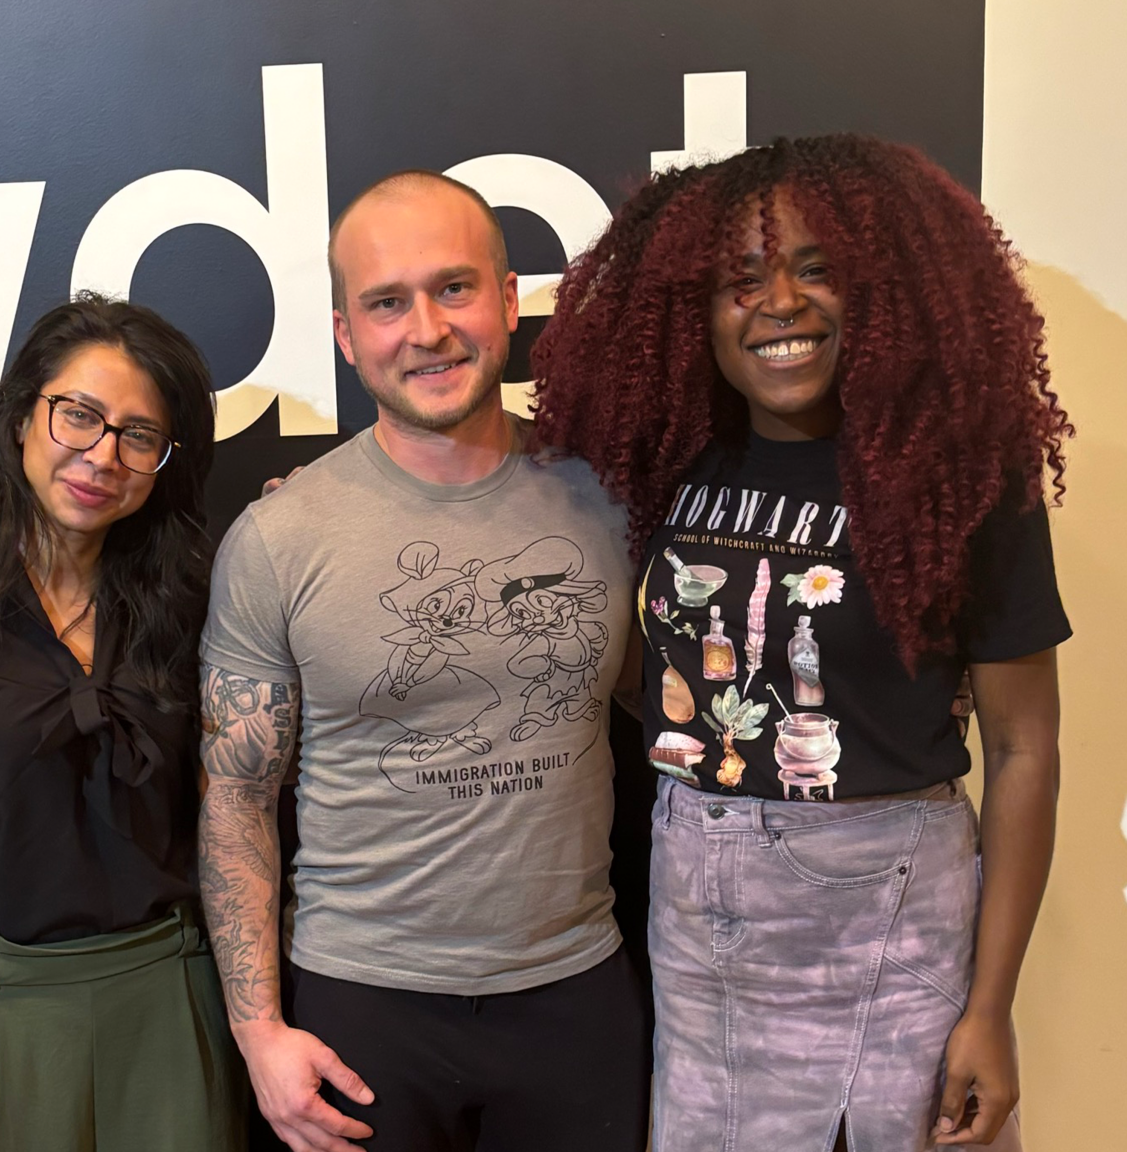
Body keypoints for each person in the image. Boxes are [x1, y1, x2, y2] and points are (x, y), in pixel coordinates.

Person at [531, 135, 1071, 1151]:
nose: (777, 302)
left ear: (885, 290)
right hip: (699, 910)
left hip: (891, 918)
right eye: (739, 281)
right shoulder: (658, 461)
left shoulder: (957, 479)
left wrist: (991, 1008)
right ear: (690, 311)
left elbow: (1022, 750)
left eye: (814, 269)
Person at [198, 171, 651, 1152]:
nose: (426, 329)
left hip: (573, 998)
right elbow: (236, 796)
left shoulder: (610, 502)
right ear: (344, 333)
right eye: (385, 302)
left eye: (453, 288)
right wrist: (257, 1031)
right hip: (361, 1010)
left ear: (507, 299)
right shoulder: (278, 538)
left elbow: (675, 708)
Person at [0, 293, 244, 1152]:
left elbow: (229, 816)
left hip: (172, 993)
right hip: (0, 1007)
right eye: (80, 417)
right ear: (24, 415)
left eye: (139, 436)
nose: (103, 455)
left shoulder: (193, 608)